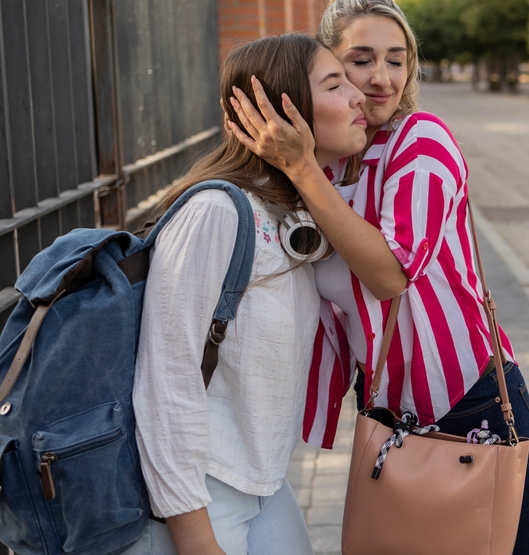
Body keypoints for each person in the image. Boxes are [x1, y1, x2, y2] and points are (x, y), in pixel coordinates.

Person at [227, 0, 529, 555]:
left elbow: (389, 276)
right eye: (360, 60)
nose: (381, 78)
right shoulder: (332, 163)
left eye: (395, 59)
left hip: (470, 403)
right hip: (388, 414)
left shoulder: (420, 141)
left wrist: (301, 169)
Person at [126, 34, 368, 555]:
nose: (358, 96)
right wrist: (195, 540)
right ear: (283, 110)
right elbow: (164, 380)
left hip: (263, 481)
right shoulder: (215, 212)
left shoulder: (296, 210)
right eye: (335, 84)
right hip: (200, 495)